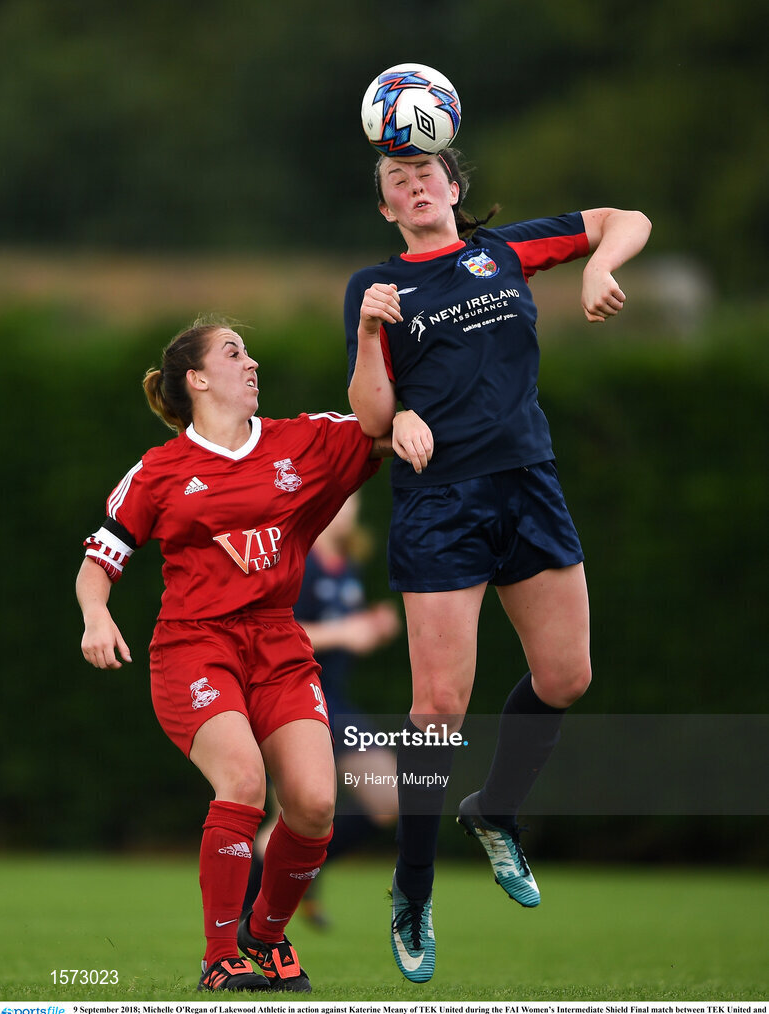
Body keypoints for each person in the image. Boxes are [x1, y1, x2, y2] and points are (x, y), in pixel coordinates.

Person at [344, 147, 652, 982]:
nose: (413, 188)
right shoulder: (378, 285)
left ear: (453, 187)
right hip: (441, 504)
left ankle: (495, 810)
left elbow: (625, 220)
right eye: (395, 184)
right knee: (439, 705)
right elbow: (369, 415)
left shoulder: (505, 251)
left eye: (425, 175)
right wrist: (378, 350)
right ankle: (412, 890)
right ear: (386, 210)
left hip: (528, 485)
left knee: (567, 678)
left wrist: (599, 271)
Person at [76, 318, 404, 994]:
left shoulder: (301, 440)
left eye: (250, 350)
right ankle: (219, 956)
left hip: (279, 643)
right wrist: (96, 614)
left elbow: (377, 424)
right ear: (196, 379)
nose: (251, 362)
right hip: (194, 646)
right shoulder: (159, 470)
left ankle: (267, 937)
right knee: (246, 784)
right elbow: (99, 560)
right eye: (233, 352)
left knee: (315, 804)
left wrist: (411, 418)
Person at [241, 491, 401, 927]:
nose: (346, 509)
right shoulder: (297, 560)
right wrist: (347, 631)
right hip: (290, 694)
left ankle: (310, 866)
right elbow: (271, 633)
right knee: (285, 817)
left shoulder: (348, 564)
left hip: (335, 700)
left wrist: (369, 625)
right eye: (340, 500)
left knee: (388, 798)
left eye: (352, 502)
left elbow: (334, 628)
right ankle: (242, 926)